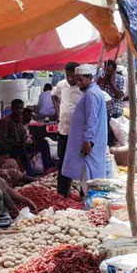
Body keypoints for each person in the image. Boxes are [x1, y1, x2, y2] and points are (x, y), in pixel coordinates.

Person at [61, 64, 109, 193]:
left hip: (91, 141)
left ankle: (91, 199)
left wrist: (87, 140)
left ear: (90, 78)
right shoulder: (92, 91)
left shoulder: (91, 94)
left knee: (89, 173)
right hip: (93, 139)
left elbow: (91, 119)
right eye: (77, 79)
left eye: (81, 80)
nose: (78, 83)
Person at [52, 63, 82, 196]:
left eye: (73, 76)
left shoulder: (83, 88)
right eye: (68, 76)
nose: (70, 79)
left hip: (78, 132)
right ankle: (63, 192)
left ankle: (82, 192)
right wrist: (58, 110)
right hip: (63, 129)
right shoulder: (61, 85)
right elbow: (54, 95)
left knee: (80, 161)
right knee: (63, 160)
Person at [97, 59, 126, 146]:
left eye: (110, 71)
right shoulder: (100, 78)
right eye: (106, 70)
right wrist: (104, 80)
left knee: (114, 127)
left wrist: (112, 83)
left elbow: (119, 96)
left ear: (114, 70)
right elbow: (98, 91)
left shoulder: (120, 79)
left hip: (115, 108)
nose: (108, 73)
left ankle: (114, 142)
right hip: (104, 108)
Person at [0, 99, 30, 170]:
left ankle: (48, 167)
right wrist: (14, 142)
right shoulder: (6, 121)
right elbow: (2, 138)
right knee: (22, 149)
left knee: (44, 143)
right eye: (17, 108)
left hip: (21, 145)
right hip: (10, 147)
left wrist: (25, 139)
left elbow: (23, 134)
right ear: (12, 109)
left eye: (21, 108)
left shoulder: (20, 120)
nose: (19, 110)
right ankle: (31, 173)